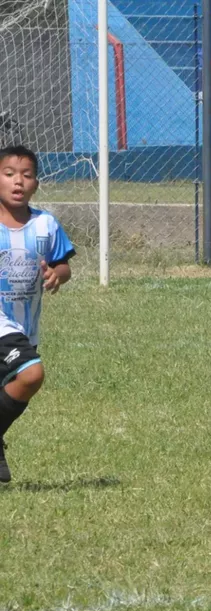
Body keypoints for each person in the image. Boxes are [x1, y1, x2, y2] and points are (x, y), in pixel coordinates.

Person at [0, 145, 75, 483]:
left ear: (36, 184)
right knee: (31, 374)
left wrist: (57, 275)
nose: (18, 182)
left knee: (15, 385)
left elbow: (63, 264)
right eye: (9, 174)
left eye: (26, 175)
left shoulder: (46, 224)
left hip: (25, 326)